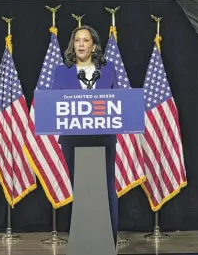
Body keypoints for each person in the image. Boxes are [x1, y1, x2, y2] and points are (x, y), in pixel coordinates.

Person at [52, 25, 118, 245]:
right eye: (77, 40)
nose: (81, 44)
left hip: (103, 139)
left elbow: (118, 102)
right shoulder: (61, 71)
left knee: (106, 188)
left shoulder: (107, 70)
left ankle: (108, 240)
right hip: (72, 140)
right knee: (79, 189)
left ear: (94, 46)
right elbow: (53, 105)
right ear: (73, 45)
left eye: (86, 40)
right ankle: (83, 241)